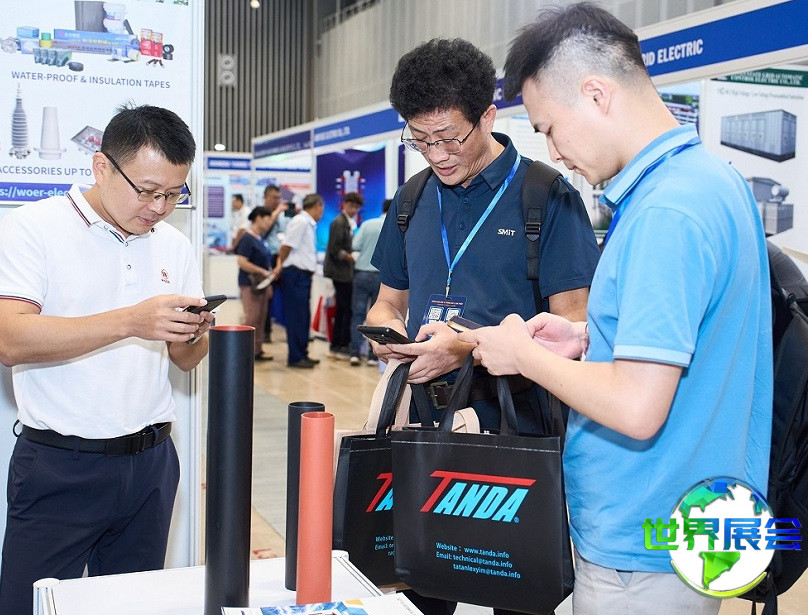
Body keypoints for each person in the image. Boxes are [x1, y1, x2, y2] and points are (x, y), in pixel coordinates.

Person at [458, 4, 773, 614]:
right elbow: (698, 336)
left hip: (641, 541)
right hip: (693, 521)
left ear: (596, 94)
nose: (554, 151)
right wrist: (587, 339)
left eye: (550, 127)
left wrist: (522, 354)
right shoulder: (712, 181)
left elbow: (636, 407)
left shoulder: (664, 213)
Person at [367, 37, 600, 615]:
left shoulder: (545, 197)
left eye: (449, 137)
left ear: (488, 117)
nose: (437, 154)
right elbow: (386, 303)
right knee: (420, 585)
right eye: (420, 139)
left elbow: (575, 328)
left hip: (515, 429)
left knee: (513, 588)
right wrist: (390, 337)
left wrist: (466, 346)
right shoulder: (411, 199)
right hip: (425, 425)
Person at [0, 104, 213, 615]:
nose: (159, 207)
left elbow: (186, 361)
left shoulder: (175, 245)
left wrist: (194, 332)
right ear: (101, 167)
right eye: (147, 190)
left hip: (151, 465)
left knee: (133, 604)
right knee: (31, 605)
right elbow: (10, 339)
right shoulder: (32, 228)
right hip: (61, 466)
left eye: (173, 194)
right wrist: (131, 321)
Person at [273, 193, 325, 369]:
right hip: (295, 274)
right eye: (321, 209)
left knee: (303, 316)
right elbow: (286, 246)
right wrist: (280, 265)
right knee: (296, 316)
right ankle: (295, 357)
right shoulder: (300, 221)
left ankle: (302, 353)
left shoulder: (308, 223)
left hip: (303, 276)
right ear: (317, 206)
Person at [349, 198, 389, 366]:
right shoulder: (394, 226)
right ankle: (374, 356)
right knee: (378, 316)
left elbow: (355, 245)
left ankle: (355, 353)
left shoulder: (367, 224)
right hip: (382, 276)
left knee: (358, 313)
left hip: (362, 274)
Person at [324, 192, 363, 359]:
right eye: (351, 206)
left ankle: (338, 344)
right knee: (345, 309)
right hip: (340, 273)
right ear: (345, 204)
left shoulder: (348, 222)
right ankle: (340, 344)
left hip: (344, 272)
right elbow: (334, 249)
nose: (354, 210)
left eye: (356, 207)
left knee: (343, 308)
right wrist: (350, 257)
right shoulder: (339, 223)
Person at [235, 206, 275, 361]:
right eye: (267, 219)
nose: (269, 223)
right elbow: (242, 261)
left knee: (260, 318)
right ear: (258, 218)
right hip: (250, 284)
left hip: (262, 285)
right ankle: (244, 352)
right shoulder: (247, 238)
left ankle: (256, 351)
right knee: (251, 318)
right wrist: (261, 271)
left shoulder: (260, 239)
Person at [260, 184, 289, 343]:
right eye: (274, 198)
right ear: (265, 197)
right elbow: (263, 230)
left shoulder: (283, 215)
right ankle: (265, 332)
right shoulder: (261, 213)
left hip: (282, 256)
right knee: (266, 297)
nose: (277, 201)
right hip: (268, 257)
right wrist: (276, 212)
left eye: (279, 198)